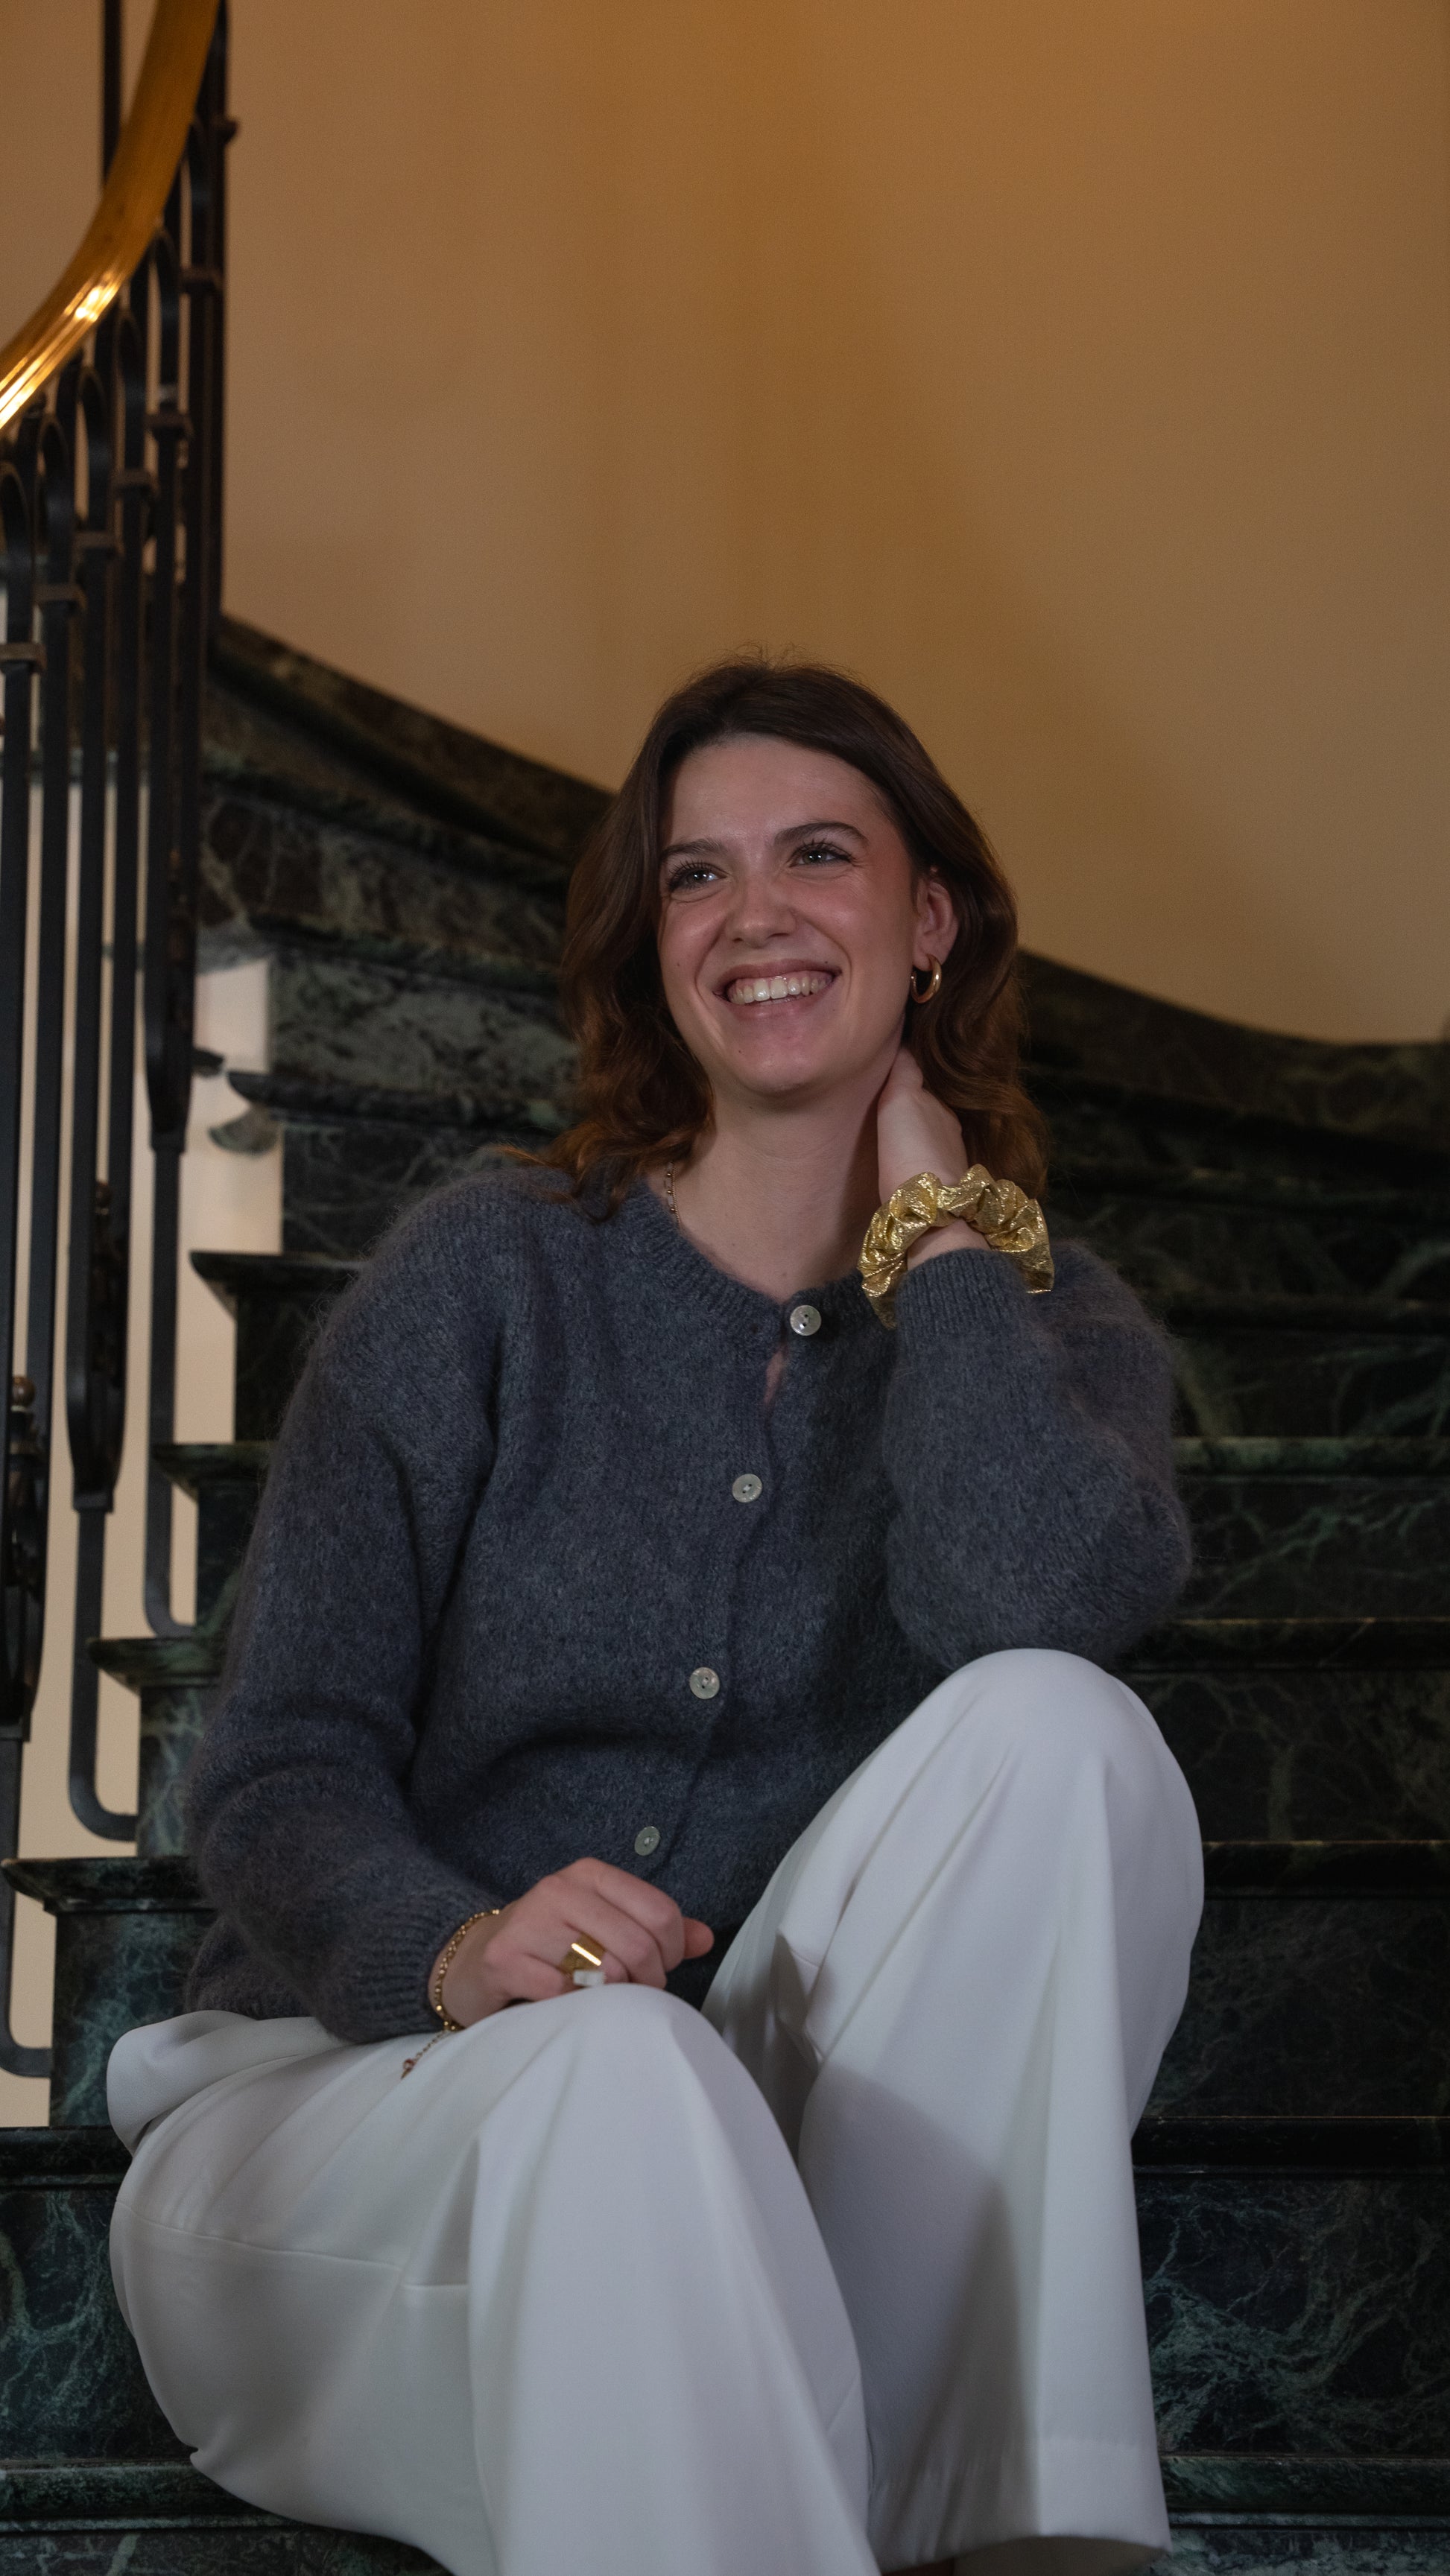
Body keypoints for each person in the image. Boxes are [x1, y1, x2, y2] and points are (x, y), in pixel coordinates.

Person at [108, 659, 1202, 2576]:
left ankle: (961, 2512)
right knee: (619, 2069)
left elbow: (1032, 1605)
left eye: (818, 855)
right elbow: (276, 1768)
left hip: (749, 2192)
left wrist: (937, 1237)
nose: (754, 912)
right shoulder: (486, 1275)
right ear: (652, 939)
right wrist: (457, 1947)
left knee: (1063, 1731)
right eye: (698, 874)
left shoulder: (1045, 1324)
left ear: (929, 921)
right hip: (349, 2136)